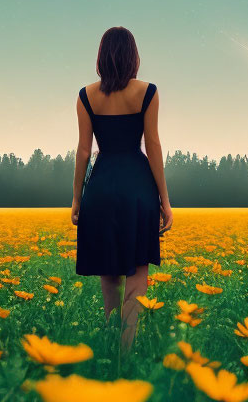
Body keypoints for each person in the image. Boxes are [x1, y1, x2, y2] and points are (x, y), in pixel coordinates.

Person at [72, 26, 173, 352]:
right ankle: (126, 351)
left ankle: (109, 344)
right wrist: (165, 201)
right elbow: (153, 145)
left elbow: (84, 152)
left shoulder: (86, 96)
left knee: (109, 275)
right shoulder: (148, 92)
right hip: (137, 187)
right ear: (133, 56)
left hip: (101, 188)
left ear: (101, 57)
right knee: (137, 274)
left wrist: (76, 199)